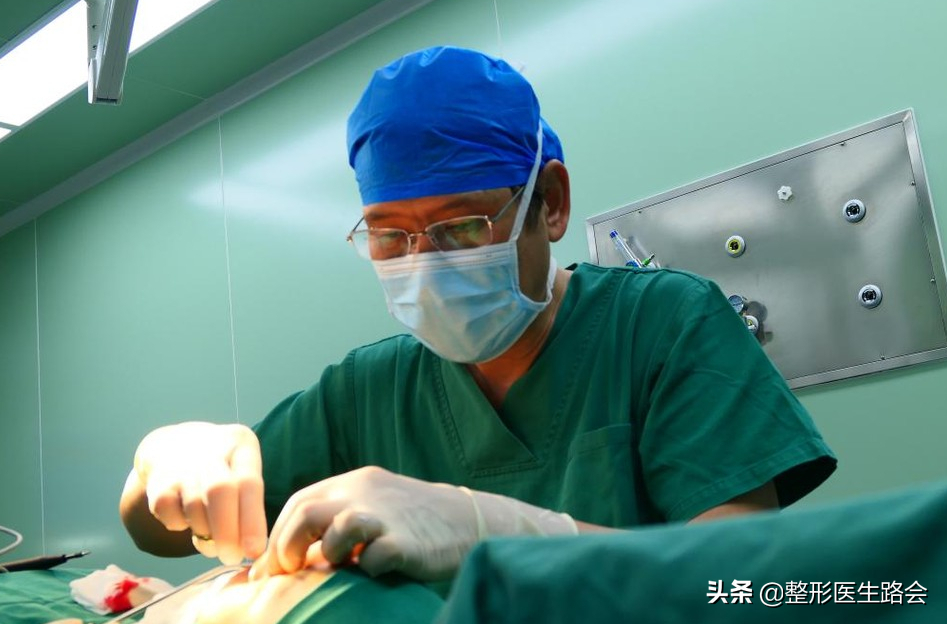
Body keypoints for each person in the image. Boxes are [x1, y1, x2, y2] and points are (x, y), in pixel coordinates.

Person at [120, 46, 836, 584]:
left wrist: (501, 533)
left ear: (550, 205)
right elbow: (163, 535)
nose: (423, 263)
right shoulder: (365, 391)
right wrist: (167, 466)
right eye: (389, 235)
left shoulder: (663, 325)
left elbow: (739, 585)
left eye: (462, 226)